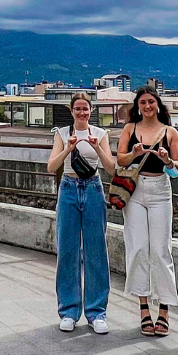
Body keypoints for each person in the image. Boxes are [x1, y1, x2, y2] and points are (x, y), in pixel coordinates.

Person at [47, 93, 116, 334]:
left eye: (85, 109)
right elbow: (51, 166)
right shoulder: (62, 133)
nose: (82, 113)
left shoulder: (101, 134)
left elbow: (111, 168)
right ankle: (68, 310)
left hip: (93, 188)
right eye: (77, 109)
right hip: (68, 188)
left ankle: (97, 312)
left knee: (96, 250)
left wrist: (98, 148)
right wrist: (68, 149)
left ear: (91, 110)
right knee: (68, 250)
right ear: (71, 110)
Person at [117, 87, 178, 337]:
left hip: (160, 190)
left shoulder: (170, 132)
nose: (147, 106)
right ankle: (144, 308)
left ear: (158, 105)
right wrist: (133, 154)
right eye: (143, 102)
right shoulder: (129, 129)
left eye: (151, 102)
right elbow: (119, 161)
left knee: (161, 250)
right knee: (137, 248)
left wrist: (167, 161)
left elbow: (177, 170)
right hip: (134, 189)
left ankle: (164, 309)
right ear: (137, 106)